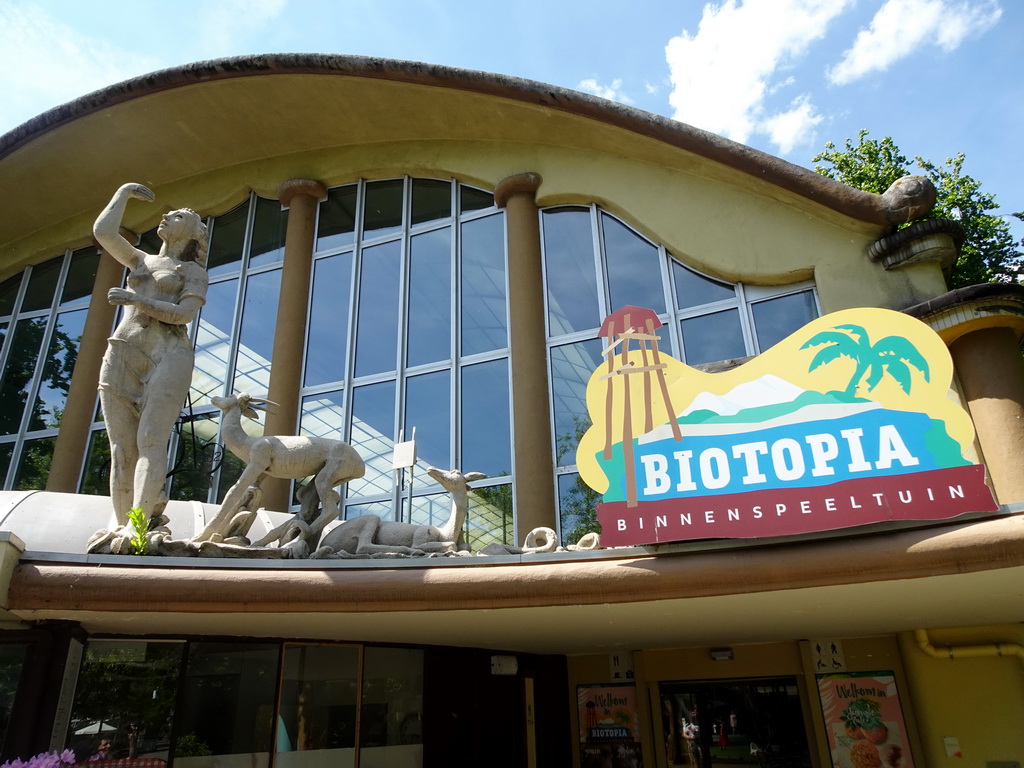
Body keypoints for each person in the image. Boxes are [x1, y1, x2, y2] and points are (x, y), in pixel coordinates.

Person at [93, 183, 209, 529]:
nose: (165, 217)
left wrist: (138, 301)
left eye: (176, 216)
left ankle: (138, 527)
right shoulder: (141, 259)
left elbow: (185, 314)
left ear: (190, 231)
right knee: (121, 448)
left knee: (150, 440)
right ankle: (121, 526)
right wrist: (123, 194)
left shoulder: (192, 273)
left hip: (169, 355)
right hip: (124, 349)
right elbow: (104, 232)